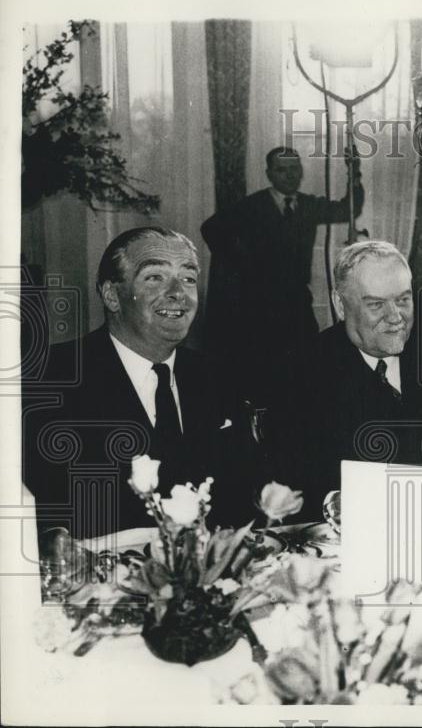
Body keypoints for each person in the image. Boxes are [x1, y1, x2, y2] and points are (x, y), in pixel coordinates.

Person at [22, 227, 252, 539]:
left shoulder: (216, 376)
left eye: (188, 278)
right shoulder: (49, 379)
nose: (178, 293)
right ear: (112, 296)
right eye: (154, 277)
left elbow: (241, 498)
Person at [289, 241, 422, 518]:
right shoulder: (300, 374)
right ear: (340, 305)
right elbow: (293, 482)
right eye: (376, 304)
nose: (395, 318)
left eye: (403, 300)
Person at [200, 146, 364, 410]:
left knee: (305, 367)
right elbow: (210, 228)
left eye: (294, 169)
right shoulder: (252, 206)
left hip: (297, 301)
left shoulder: (308, 206)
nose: (289, 175)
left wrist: (354, 172)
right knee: (263, 374)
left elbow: (348, 210)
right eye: (282, 170)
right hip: (259, 306)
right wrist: (242, 263)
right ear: (269, 174)